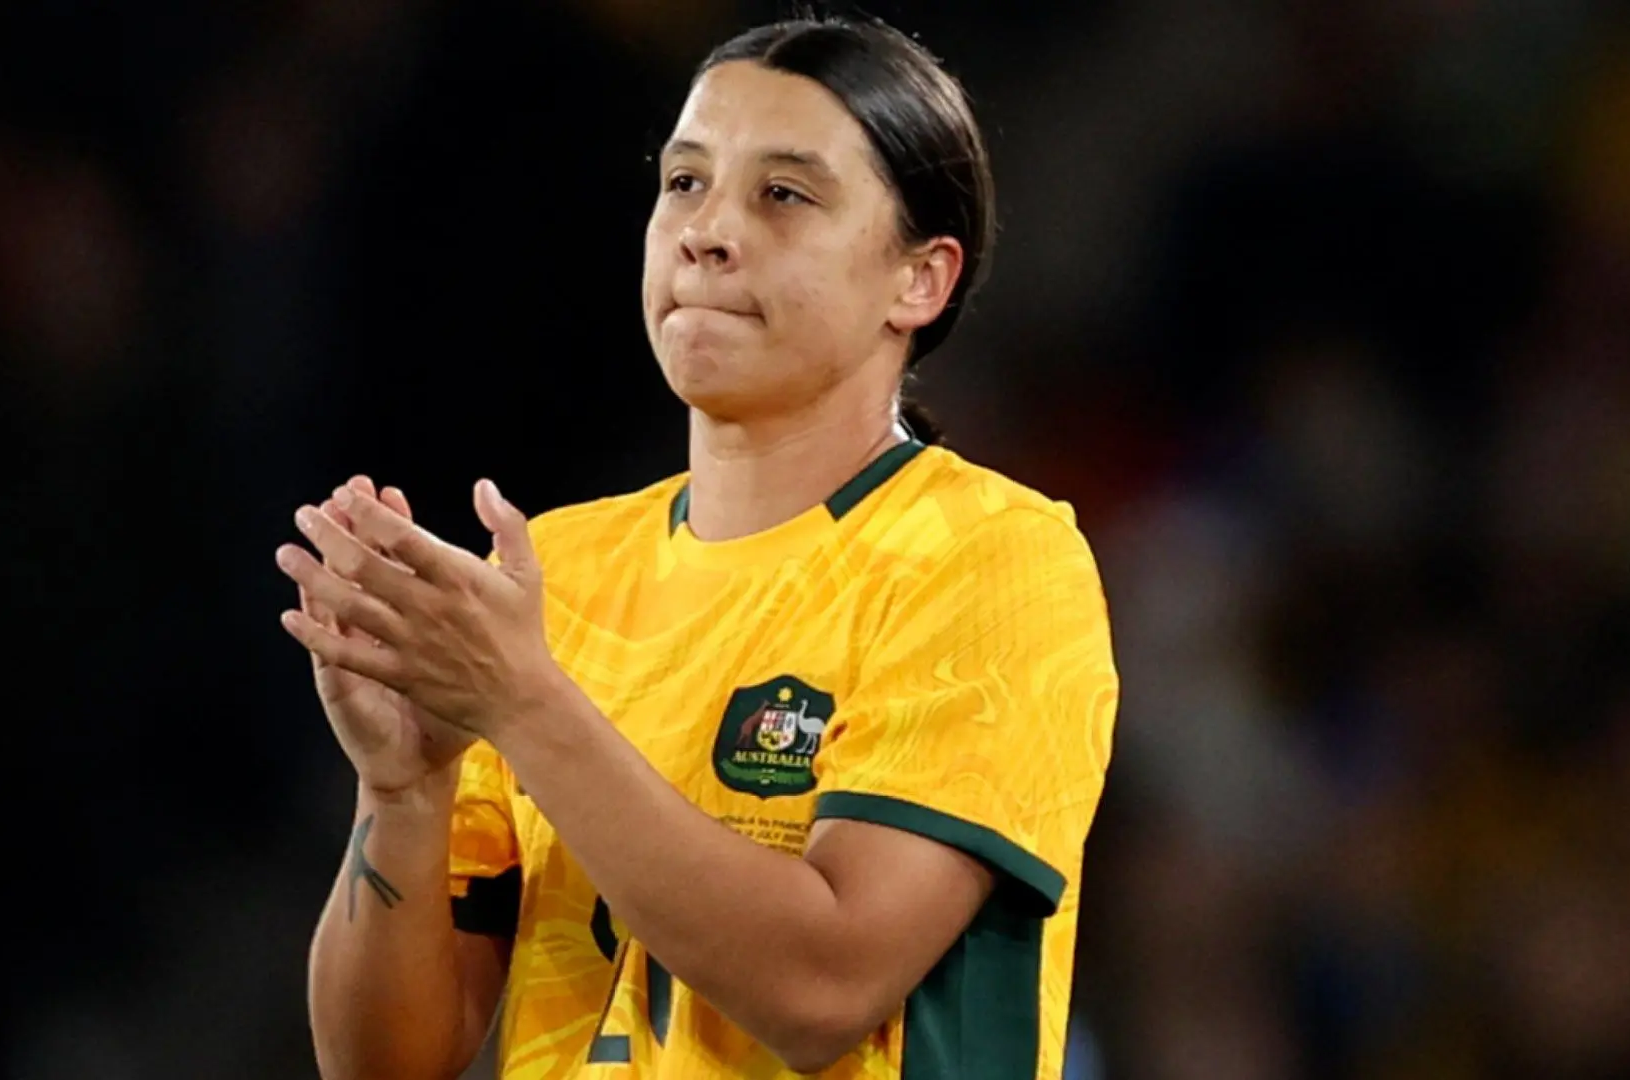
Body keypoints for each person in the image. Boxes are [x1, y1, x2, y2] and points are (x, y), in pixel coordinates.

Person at [280, 15, 1120, 1079]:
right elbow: (384, 1066)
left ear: (920, 279)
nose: (707, 231)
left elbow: (823, 990)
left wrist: (523, 703)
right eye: (684, 183)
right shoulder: (556, 580)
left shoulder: (991, 560)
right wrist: (403, 793)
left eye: (785, 195)